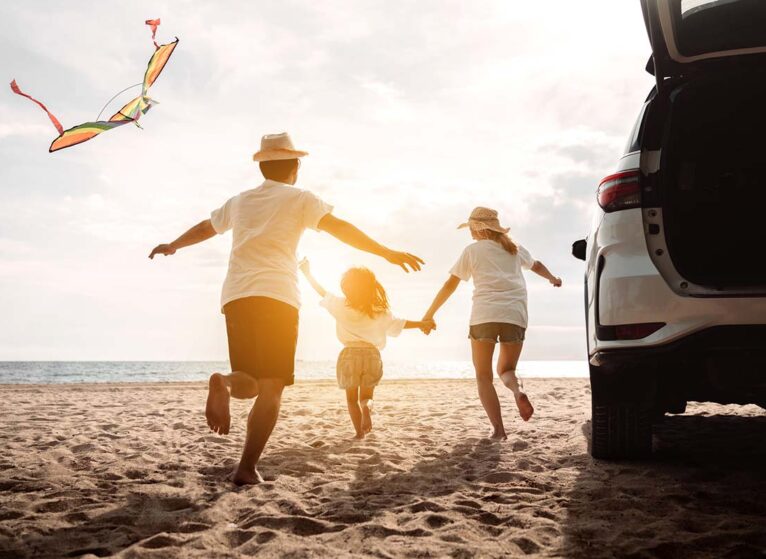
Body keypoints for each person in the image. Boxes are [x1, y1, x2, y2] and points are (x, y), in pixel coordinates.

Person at [148, 132, 424, 484]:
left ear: (263, 167)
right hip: (278, 296)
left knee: (248, 381)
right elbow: (340, 229)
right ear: (295, 167)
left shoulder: (240, 201)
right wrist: (386, 252)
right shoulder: (301, 199)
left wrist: (173, 245)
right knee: (272, 386)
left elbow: (207, 227)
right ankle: (246, 468)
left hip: (237, 295)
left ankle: (225, 384)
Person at [422, 207, 561, 440]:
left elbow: (450, 285)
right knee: (506, 370)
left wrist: (429, 313)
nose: (470, 234)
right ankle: (518, 390)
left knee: (483, 376)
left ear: (478, 228)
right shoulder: (514, 249)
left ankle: (498, 430)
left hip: (484, 316)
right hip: (514, 316)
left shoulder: (472, 251)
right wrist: (553, 278)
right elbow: (536, 265)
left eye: (471, 229)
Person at [299, 259, 434, 439]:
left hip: (349, 355)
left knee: (350, 399)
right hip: (371, 355)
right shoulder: (379, 311)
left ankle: (359, 433)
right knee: (366, 397)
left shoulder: (340, 305)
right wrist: (421, 324)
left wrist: (307, 273)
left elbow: (321, 291)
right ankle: (366, 407)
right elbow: (400, 323)